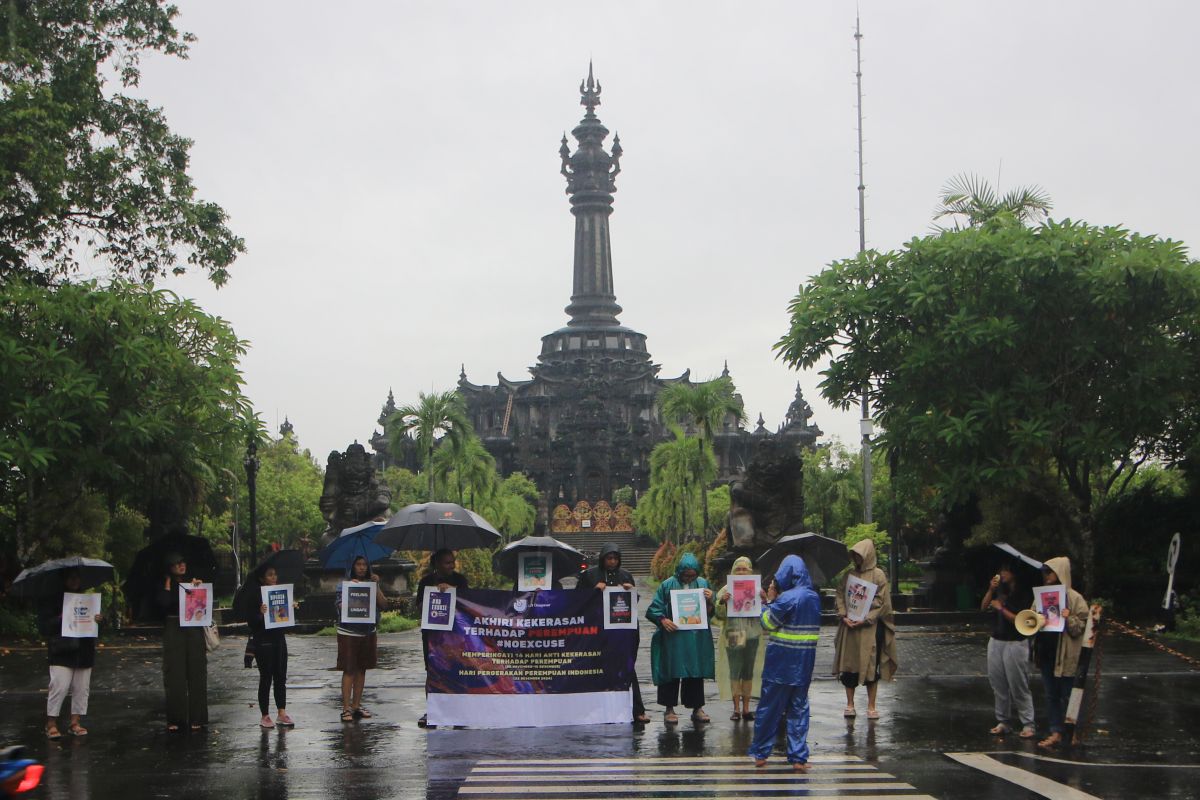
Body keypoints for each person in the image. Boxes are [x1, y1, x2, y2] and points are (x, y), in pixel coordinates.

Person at [748, 555, 821, 772]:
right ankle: (798, 757)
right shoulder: (814, 597)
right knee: (799, 710)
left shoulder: (787, 598)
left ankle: (761, 753)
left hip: (780, 664)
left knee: (769, 708)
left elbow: (767, 623)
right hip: (804, 664)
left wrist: (768, 602)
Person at [577, 542, 649, 724]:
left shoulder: (625, 575)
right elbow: (578, 600)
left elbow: (633, 603)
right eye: (609, 558)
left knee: (627, 667)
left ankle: (637, 710)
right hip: (597, 630)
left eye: (615, 558)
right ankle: (595, 711)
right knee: (595, 668)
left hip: (621, 631)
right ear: (603, 558)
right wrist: (594, 591)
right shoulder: (590, 575)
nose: (612, 562)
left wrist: (631, 592)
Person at [646, 553, 715, 724]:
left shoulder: (703, 584)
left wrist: (710, 600)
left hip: (696, 638)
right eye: (686, 575)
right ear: (679, 572)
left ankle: (697, 707)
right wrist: (663, 620)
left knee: (695, 671)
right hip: (673, 637)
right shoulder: (667, 585)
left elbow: (710, 612)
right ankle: (669, 708)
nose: (689, 578)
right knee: (671, 670)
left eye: (693, 575)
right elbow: (654, 608)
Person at [832, 538, 897, 719]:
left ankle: (871, 706)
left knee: (871, 666)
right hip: (849, 628)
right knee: (849, 665)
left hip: (870, 629)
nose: (856, 558)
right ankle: (850, 704)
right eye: (854, 555)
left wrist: (866, 618)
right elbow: (840, 594)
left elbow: (882, 602)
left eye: (859, 555)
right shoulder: (849, 575)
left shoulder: (878, 575)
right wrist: (844, 615)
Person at [37, 568, 102, 739]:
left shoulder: (88, 600)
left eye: (77, 577)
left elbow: (98, 626)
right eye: (70, 577)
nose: (74, 581)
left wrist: (99, 620)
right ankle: (51, 723)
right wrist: (61, 618)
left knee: (82, 688)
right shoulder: (53, 601)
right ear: (64, 580)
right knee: (59, 686)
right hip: (61, 650)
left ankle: (75, 722)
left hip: (84, 650)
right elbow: (44, 627)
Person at [1032, 556, 1089, 749]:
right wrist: (1037, 619)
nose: (1046, 576)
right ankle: (1056, 731)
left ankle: (1073, 733)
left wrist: (1069, 617)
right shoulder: (1041, 595)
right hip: (1047, 652)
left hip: (1066, 655)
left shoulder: (1074, 598)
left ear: (1060, 572)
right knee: (1051, 695)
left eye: (1050, 572)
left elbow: (1082, 627)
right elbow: (1031, 620)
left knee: (1068, 695)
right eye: (1045, 572)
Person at [980, 562, 1035, 738]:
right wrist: (990, 590)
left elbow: (1021, 620)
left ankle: (1028, 723)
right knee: (998, 683)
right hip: (997, 639)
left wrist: (1001, 608)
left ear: (1014, 573)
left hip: (1015, 641)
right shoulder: (1000, 591)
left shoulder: (1023, 594)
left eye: (1006, 571)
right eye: (1001, 570)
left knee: (1018, 683)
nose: (1002, 574)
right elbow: (983, 607)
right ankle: (1003, 720)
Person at [416, 549, 469, 728]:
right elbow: (419, 608)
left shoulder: (460, 580)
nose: (452, 565)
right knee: (432, 671)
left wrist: (453, 591)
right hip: (432, 635)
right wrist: (434, 594)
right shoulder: (426, 582)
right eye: (447, 562)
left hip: (455, 635)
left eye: (453, 561)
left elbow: (469, 603)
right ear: (437, 564)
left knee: (456, 670)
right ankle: (432, 711)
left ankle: (458, 712)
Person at [157, 553, 208, 732]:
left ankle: (198, 717)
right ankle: (176, 718)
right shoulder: (165, 583)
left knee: (197, 671)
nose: (181, 565)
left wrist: (197, 588)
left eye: (183, 562)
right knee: (175, 674)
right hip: (173, 628)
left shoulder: (191, 582)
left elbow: (201, 605)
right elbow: (163, 606)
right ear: (169, 567)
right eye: (177, 563)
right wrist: (167, 584)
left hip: (193, 628)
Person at [335, 555, 388, 722]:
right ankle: (346, 708)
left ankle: (356, 705)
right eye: (358, 564)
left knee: (362, 669)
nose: (362, 567)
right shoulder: (344, 584)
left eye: (365, 564)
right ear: (352, 566)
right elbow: (339, 606)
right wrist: (351, 590)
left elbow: (384, 605)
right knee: (349, 669)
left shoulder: (371, 584)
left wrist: (376, 586)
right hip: (349, 632)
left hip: (368, 631)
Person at [246, 565, 296, 729]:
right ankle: (265, 715)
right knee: (266, 677)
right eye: (270, 575)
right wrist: (260, 613)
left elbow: (284, 619)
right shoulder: (256, 595)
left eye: (275, 574)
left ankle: (282, 712)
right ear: (262, 578)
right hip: (263, 640)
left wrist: (291, 608)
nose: (274, 578)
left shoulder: (280, 593)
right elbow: (252, 621)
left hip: (278, 638)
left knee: (280, 676)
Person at [714, 556, 764, 721]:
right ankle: (736, 709)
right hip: (734, 633)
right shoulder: (726, 589)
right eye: (738, 569)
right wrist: (722, 602)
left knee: (748, 671)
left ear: (750, 571)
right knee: (735, 671)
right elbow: (718, 615)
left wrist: (764, 599)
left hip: (752, 634)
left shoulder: (757, 588)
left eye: (745, 569)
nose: (741, 572)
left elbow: (766, 612)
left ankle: (746, 708)